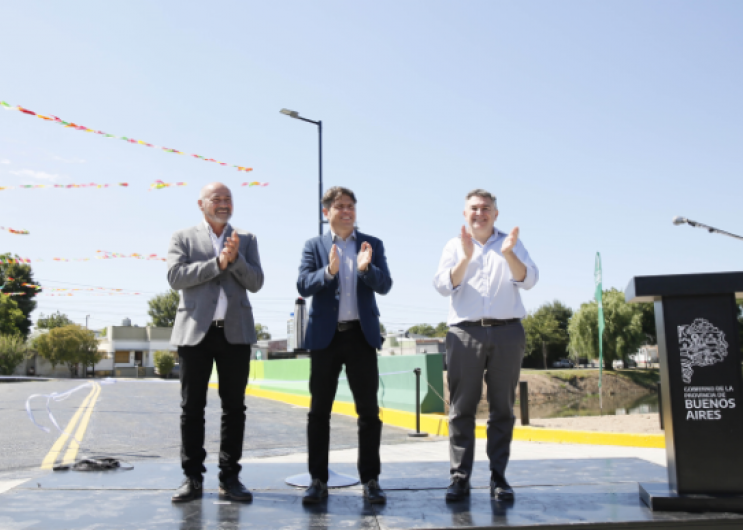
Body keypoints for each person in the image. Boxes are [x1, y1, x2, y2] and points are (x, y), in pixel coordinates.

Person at [433, 189, 538, 502]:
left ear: (495, 213)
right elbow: (442, 285)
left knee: (502, 408)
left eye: (486, 208)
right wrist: (465, 258)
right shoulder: (455, 245)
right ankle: (459, 479)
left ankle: (498, 478)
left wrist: (509, 254)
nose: (480, 213)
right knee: (461, 409)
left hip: (507, 332)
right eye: (474, 208)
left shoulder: (512, 242)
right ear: (465, 214)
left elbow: (529, 279)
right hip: (464, 334)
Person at [167, 182, 264, 503]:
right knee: (191, 408)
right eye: (216, 198)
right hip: (196, 333)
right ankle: (192, 478)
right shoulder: (183, 237)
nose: (223, 203)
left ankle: (229, 477)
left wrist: (235, 260)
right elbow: (175, 277)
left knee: (234, 408)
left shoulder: (246, 239)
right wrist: (217, 264)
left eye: (228, 199)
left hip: (235, 334)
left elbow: (256, 281)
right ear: (201, 204)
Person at [297, 186, 393, 505]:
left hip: (360, 337)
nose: (347, 211)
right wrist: (329, 272)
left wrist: (367, 268)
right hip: (325, 339)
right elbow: (303, 284)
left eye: (351, 205)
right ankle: (317, 480)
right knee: (319, 412)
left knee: (368, 411)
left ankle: (371, 480)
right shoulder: (314, 246)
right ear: (327, 213)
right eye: (339, 206)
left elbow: (386, 285)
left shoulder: (372, 245)